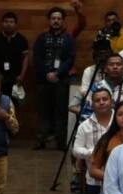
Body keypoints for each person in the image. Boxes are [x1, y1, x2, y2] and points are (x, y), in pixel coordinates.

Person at [33, 7, 77, 150]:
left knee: (61, 112)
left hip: (61, 80)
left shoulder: (69, 38)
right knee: (43, 111)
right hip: (43, 80)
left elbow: (70, 59)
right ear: (49, 20)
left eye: (59, 18)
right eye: (53, 18)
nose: (56, 21)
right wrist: (47, 73)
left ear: (63, 21)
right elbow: (37, 58)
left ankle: (60, 141)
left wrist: (57, 73)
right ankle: (41, 140)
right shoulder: (42, 37)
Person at [0, 11, 30, 97]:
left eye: (11, 22)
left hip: (16, 77)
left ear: (15, 24)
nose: (8, 24)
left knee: (14, 104)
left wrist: (22, 75)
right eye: (6, 21)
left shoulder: (22, 39)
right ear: (2, 23)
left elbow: (25, 58)